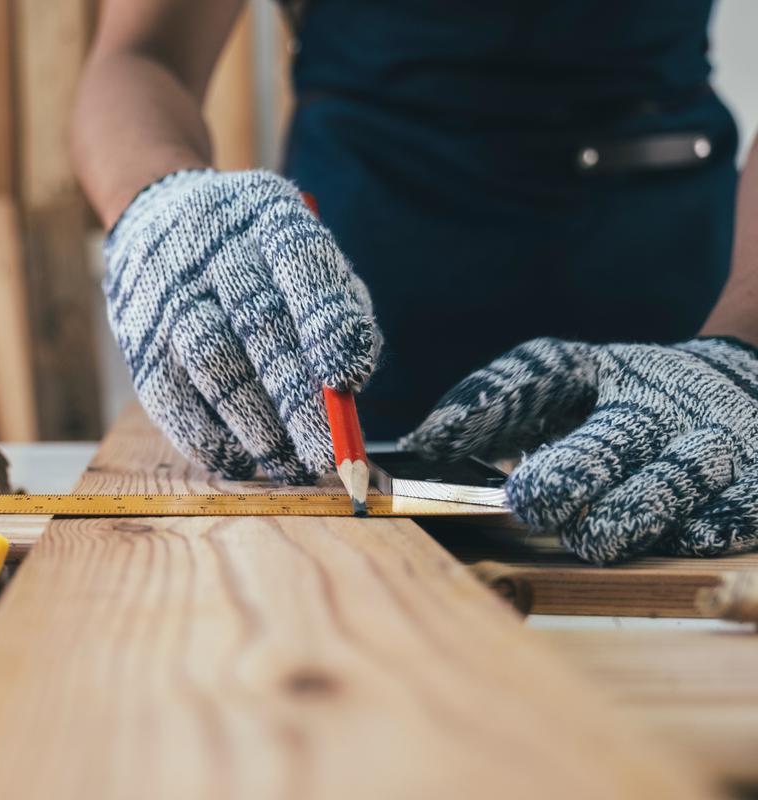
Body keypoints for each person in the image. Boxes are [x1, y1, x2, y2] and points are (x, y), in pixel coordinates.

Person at [71, 0, 758, 564]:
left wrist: (743, 349)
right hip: (358, 291)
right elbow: (140, 55)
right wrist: (159, 200)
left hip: (680, 321)